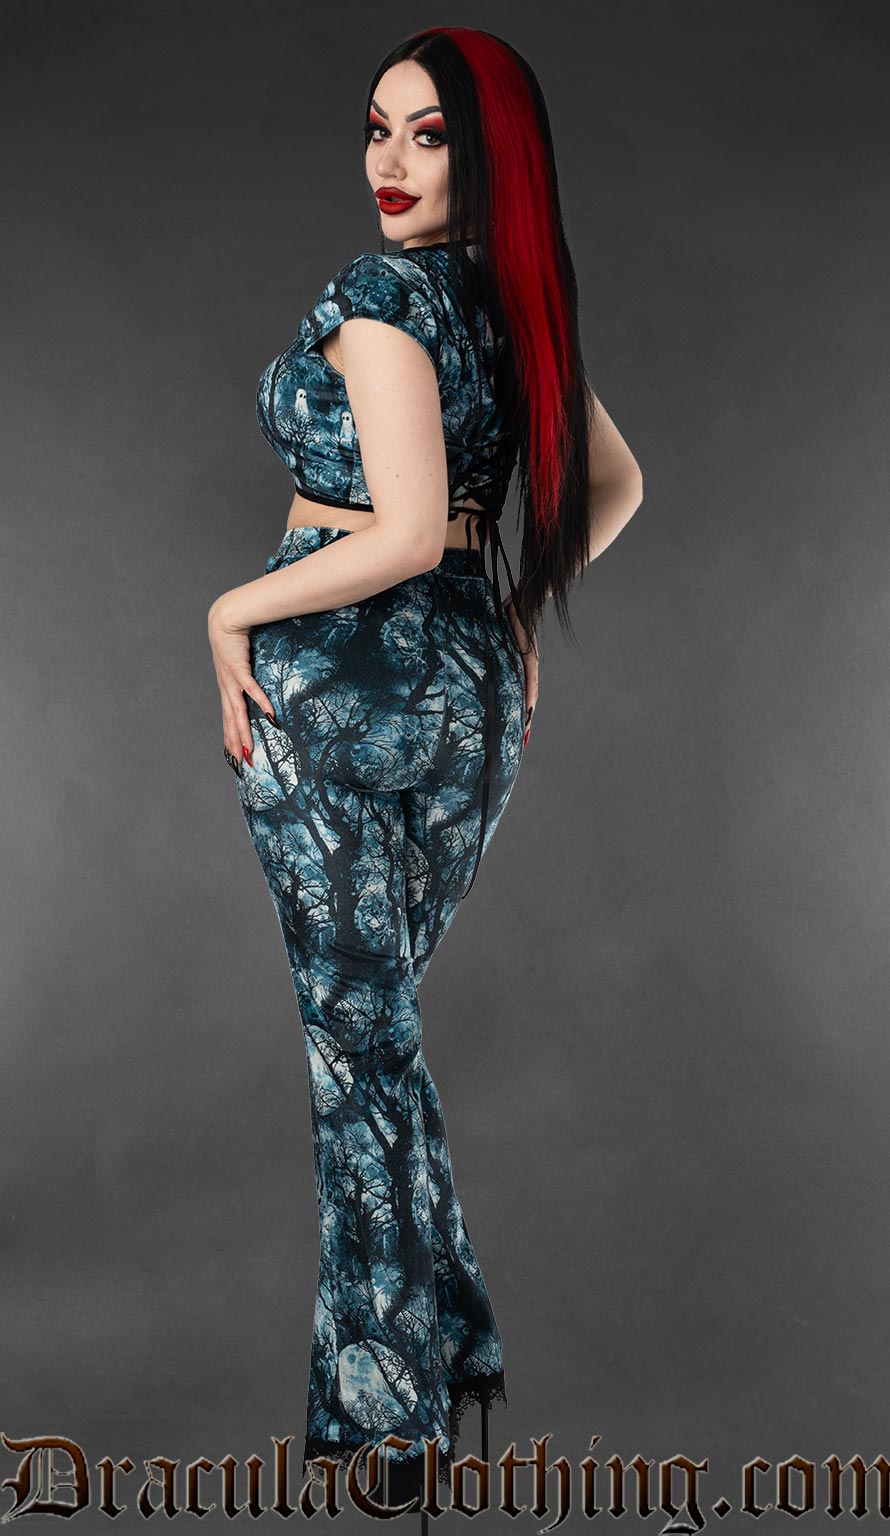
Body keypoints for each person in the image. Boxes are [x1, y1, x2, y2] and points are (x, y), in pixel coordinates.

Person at [207, 24, 643, 1524]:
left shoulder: (384, 297)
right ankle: (437, 1348)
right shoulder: (514, 302)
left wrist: (229, 611)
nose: (390, 164)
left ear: (488, 152)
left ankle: (392, 1414)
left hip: (338, 682)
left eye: (430, 136)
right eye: (378, 129)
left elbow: (392, 533)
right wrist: (515, 606)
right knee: (375, 1032)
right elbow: (613, 484)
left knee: (357, 1051)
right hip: (468, 693)